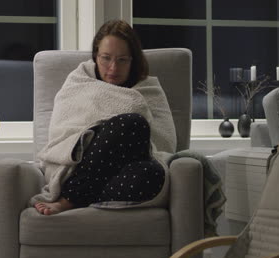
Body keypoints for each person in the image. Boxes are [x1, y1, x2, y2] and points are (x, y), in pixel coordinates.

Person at [32, 20, 176, 215]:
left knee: (153, 174)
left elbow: (164, 143)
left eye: (122, 60)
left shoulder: (149, 89)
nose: (113, 68)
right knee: (133, 123)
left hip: (124, 169)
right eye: (106, 58)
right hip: (80, 166)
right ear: (95, 56)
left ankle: (85, 198)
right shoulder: (79, 82)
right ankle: (69, 199)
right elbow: (63, 134)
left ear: (133, 60)